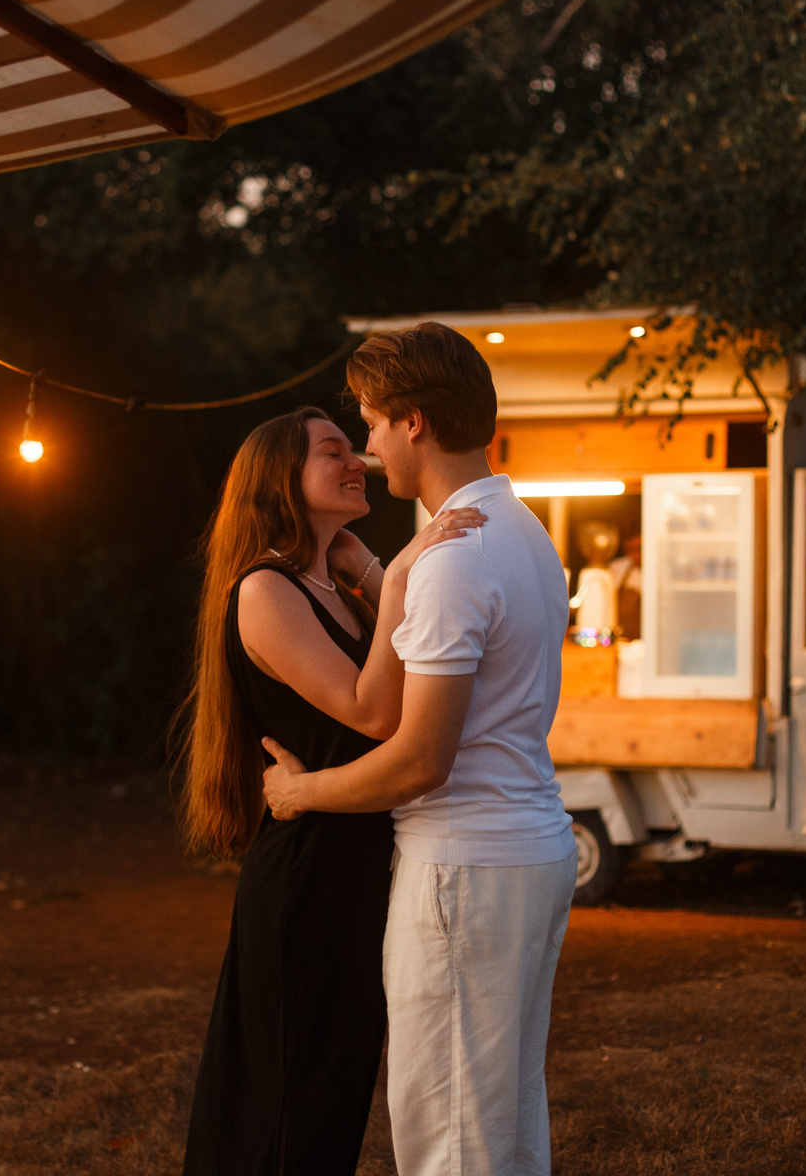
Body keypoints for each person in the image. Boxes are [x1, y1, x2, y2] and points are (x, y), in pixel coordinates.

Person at [262, 323, 579, 1176]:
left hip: (464, 871)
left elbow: (419, 760)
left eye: (370, 422)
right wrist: (386, 573)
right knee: (506, 1125)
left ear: (414, 422)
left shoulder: (454, 559)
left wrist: (299, 792)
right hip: (530, 850)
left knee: (453, 1142)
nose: (367, 449)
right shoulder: (523, 531)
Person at [178, 404, 486, 1176]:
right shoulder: (265, 590)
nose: (357, 462)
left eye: (355, 447)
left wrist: (373, 572)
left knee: (333, 1094)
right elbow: (375, 711)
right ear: (281, 478)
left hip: (352, 869)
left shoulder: (333, 587)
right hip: (306, 876)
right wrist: (403, 570)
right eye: (332, 452)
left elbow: (405, 681)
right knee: (290, 1099)